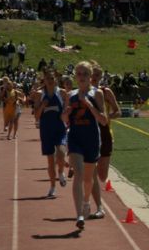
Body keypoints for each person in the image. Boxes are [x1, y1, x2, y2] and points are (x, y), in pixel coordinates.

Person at [61, 61, 107, 230]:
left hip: (92, 139)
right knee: (78, 175)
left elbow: (103, 120)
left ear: (90, 77)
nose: (81, 77)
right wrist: (65, 114)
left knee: (88, 179)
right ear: (75, 76)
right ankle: (79, 214)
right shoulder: (70, 94)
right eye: (78, 74)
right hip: (75, 138)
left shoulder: (97, 94)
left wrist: (88, 104)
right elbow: (64, 120)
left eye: (85, 74)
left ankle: (87, 202)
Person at [88, 63, 121, 220]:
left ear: (100, 77)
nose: (93, 78)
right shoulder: (82, 92)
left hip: (105, 134)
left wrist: (108, 117)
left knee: (102, 176)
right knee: (89, 170)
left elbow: (118, 111)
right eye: (91, 75)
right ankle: (90, 204)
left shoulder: (105, 92)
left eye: (96, 76)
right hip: (88, 135)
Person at [33, 67, 69, 198]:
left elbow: (66, 110)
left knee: (60, 154)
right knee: (50, 161)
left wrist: (65, 113)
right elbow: (36, 116)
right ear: (44, 79)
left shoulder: (63, 93)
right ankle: (52, 187)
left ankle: (60, 172)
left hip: (59, 129)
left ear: (56, 79)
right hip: (46, 130)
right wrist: (43, 105)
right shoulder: (39, 94)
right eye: (47, 78)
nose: (50, 81)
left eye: (52, 78)